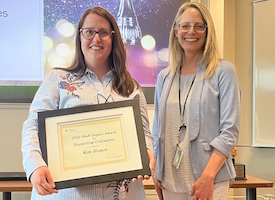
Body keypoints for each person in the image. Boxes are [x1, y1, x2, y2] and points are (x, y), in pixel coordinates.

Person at [22, 6, 155, 200]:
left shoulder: (131, 87)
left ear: (114, 38)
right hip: (67, 195)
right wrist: (35, 165)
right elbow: (32, 126)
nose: (96, 38)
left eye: (103, 33)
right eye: (89, 32)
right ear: (80, 37)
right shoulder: (58, 80)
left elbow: (144, 133)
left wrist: (146, 155)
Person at [152, 2, 241, 200]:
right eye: (185, 25)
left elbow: (229, 131)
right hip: (169, 180)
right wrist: (156, 169)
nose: (191, 31)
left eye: (199, 26)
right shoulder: (164, 77)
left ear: (207, 31)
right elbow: (157, 129)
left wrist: (208, 177)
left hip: (209, 179)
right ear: (176, 31)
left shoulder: (223, 72)